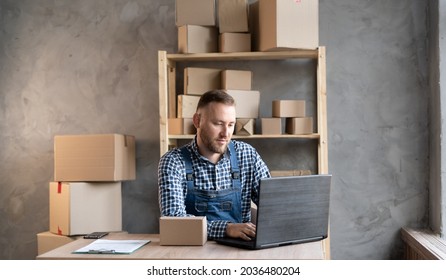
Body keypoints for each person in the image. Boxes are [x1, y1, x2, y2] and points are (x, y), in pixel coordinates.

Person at [158, 89, 270, 241]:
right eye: (218, 124)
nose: (226, 133)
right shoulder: (173, 162)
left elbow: (272, 203)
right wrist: (226, 229)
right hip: (192, 251)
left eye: (231, 125)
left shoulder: (247, 155)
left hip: (239, 251)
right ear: (197, 121)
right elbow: (175, 221)